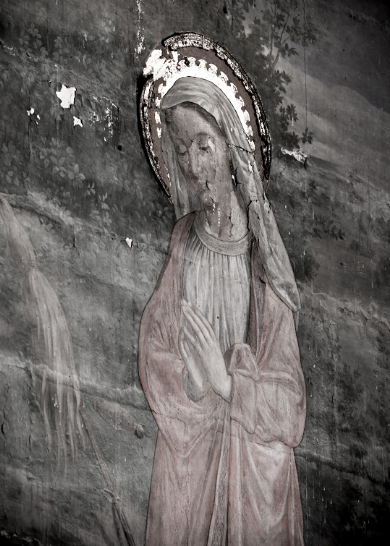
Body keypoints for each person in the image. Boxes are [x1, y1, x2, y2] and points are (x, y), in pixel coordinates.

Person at [139, 76, 306, 546]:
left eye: (203, 146)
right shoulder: (184, 244)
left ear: (231, 151)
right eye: (182, 150)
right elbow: (154, 349)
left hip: (249, 481)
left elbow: (290, 407)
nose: (193, 166)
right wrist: (191, 384)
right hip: (189, 471)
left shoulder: (263, 258)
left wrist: (227, 383)